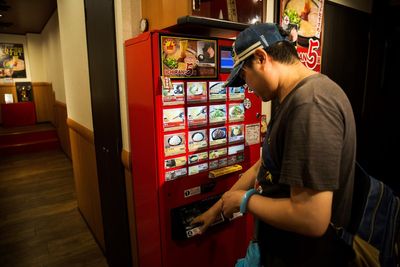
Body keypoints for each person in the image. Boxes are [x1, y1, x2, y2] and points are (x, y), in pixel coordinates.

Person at [191, 23, 356, 266]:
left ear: (261, 58)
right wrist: (218, 206)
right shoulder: (296, 95)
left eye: (244, 76)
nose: (247, 87)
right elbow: (265, 164)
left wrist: (244, 201)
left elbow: (312, 217)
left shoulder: (311, 105)